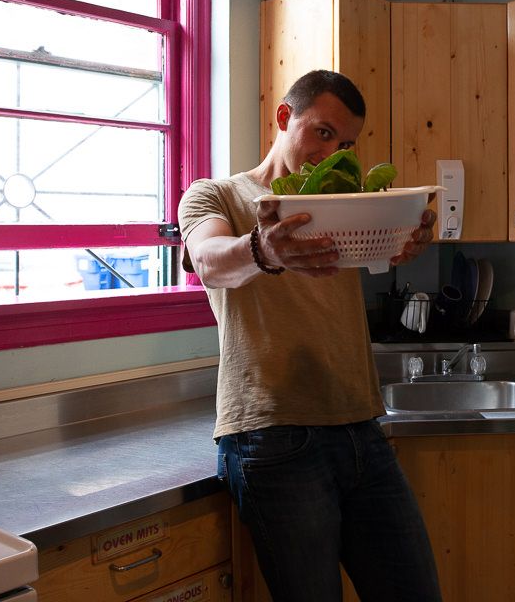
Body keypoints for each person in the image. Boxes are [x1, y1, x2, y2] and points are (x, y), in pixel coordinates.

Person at [178, 70, 442, 601]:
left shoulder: (346, 202)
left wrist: (405, 235)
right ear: (283, 118)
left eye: (345, 143)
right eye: (322, 133)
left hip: (362, 427)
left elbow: (380, 249)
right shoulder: (218, 195)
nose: (333, 153)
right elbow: (208, 262)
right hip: (272, 436)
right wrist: (263, 250)